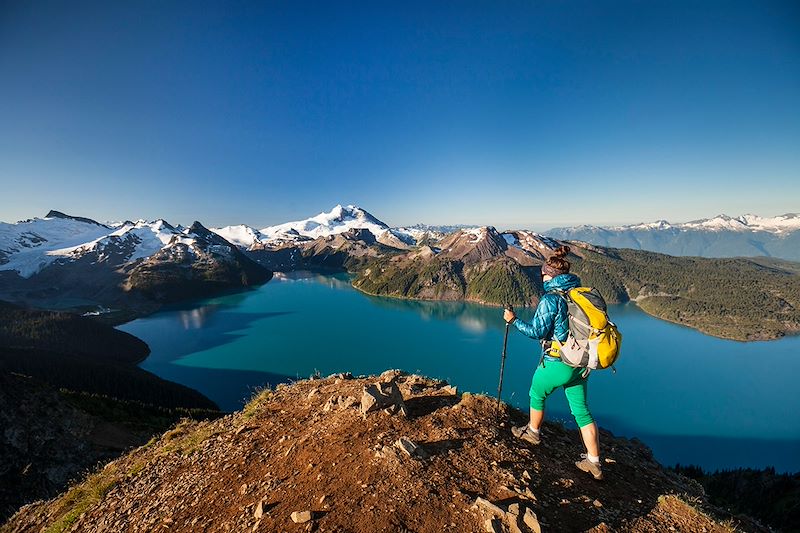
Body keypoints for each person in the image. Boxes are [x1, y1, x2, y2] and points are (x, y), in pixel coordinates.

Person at [502, 245, 603, 480]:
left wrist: (513, 320)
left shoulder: (551, 299)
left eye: (543, 275)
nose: (541, 278)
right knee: (582, 411)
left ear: (549, 275)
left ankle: (533, 432)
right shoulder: (579, 293)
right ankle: (594, 462)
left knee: (536, 393)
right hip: (582, 363)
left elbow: (537, 331)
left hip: (559, 361)